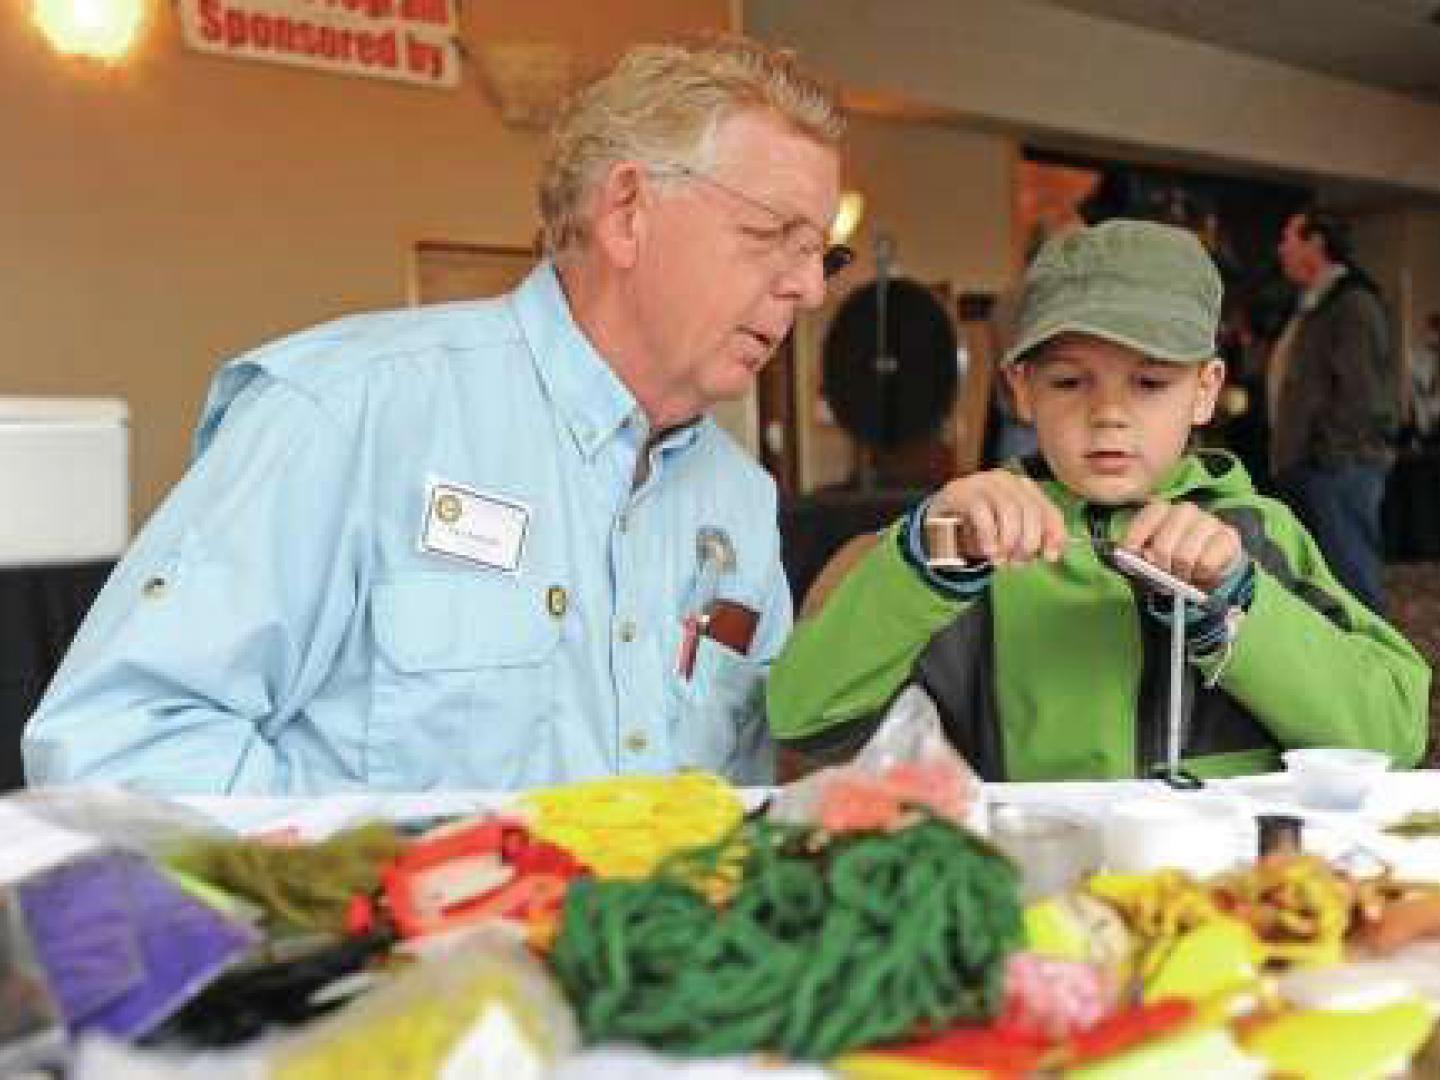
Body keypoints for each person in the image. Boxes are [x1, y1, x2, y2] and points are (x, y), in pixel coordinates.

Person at [24, 36, 846, 794]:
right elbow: (116, 738)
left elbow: (744, 791)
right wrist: (396, 877)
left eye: (822, 255)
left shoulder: (739, 501)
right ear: (628, 211)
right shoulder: (352, 412)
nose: (810, 290)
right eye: (774, 233)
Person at [768, 220, 1428, 782]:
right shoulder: (971, 546)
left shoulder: (1258, 534)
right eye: (1069, 381)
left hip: (1227, 885)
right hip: (1042, 877)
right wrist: (926, 559)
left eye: (1150, 382)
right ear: (1021, 391)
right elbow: (803, 718)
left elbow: (1394, 736)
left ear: (1204, 389)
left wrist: (1238, 604)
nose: (1109, 413)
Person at [1269, 209, 1399, 613]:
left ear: (1316, 244)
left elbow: (1362, 394)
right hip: (1313, 465)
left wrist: (1328, 453)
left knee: (1351, 581)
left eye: (1288, 238)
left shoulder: (1352, 303)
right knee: (1321, 583)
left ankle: (1370, 655)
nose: (1281, 249)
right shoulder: (1316, 304)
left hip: (1336, 468)